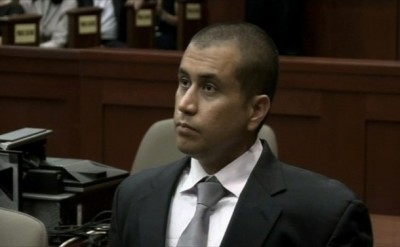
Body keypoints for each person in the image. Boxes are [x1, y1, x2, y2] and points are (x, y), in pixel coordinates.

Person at [109, 22, 373, 246]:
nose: (185, 104)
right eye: (184, 82)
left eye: (209, 88)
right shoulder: (133, 196)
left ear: (256, 110)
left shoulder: (326, 215)